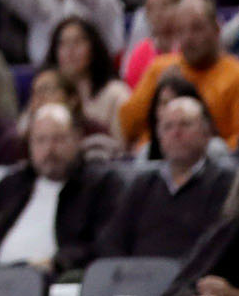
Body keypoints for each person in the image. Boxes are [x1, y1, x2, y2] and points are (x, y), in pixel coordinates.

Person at [0, 103, 121, 274]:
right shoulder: (19, 181)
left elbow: (106, 242)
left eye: (58, 139)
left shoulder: (99, 184)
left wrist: (57, 263)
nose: (49, 149)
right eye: (41, 140)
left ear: (77, 139)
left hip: (57, 278)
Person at [101, 96, 237, 258]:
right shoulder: (143, 183)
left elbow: (218, 243)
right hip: (138, 270)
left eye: (185, 124)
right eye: (168, 127)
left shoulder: (224, 181)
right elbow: (111, 238)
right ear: (159, 137)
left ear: (206, 133)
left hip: (195, 270)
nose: (176, 133)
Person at [122, 0, 239, 146]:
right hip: (155, 158)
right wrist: (157, 91)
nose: (188, 38)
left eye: (197, 28)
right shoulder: (160, 69)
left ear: (217, 29)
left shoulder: (235, 75)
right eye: (180, 31)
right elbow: (127, 127)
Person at [50, 16, 133, 140]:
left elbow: (122, 143)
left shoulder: (116, 94)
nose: (70, 51)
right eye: (63, 44)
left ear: (93, 48)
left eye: (77, 42)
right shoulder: (47, 93)